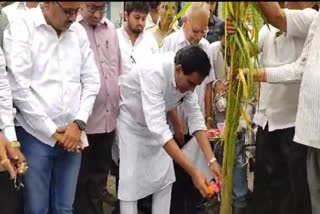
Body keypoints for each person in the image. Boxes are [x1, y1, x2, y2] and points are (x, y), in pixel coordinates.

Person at [3, 2, 100, 213]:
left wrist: (79, 123)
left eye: (76, 11)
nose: (73, 17)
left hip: (73, 137)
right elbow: (19, 89)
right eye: (68, 11)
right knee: (37, 209)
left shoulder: (78, 33)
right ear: (47, 3)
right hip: (35, 137)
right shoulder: (22, 27)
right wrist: (53, 132)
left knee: (65, 208)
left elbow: (92, 80)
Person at [232, 2, 320, 213]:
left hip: (294, 125)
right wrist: (233, 36)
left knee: (295, 193)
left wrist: (258, 73)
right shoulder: (267, 31)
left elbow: (276, 16)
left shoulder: (308, 17)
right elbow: (243, 56)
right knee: (268, 190)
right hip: (268, 122)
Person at [117, 45, 222, 214]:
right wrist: (194, 171)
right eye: (190, 83)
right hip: (132, 127)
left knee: (164, 180)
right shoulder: (155, 71)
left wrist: (212, 161)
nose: (192, 89)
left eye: (196, 85)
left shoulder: (187, 81)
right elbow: (159, 129)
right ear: (179, 69)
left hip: (159, 129)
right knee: (130, 186)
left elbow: (195, 118)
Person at [161, 3, 216, 213]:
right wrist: (176, 123)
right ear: (185, 22)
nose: (199, 36)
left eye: (204, 31)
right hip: (173, 126)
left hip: (196, 127)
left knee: (197, 181)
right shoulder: (170, 43)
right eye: (195, 31)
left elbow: (207, 86)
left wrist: (208, 118)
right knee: (174, 181)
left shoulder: (206, 47)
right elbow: (165, 87)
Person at [73, 2, 121, 214]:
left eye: (102, 7)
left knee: (100, 178)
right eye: (93, 7)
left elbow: (116, 67)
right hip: (82, 123)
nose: (98, 13)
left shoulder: (110, 28)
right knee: (80, 181)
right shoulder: (72, 28)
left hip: (108, 119)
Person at [116, 2, 158, 213]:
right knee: (125, 168)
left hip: (144, 115)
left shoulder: (150, 43)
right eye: (137, 18)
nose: (141, 23)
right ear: (125, 15)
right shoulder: (114, 38)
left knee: (144, 166)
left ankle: (143, 207)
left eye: (144, 19)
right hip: (120, 114)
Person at [208, 34, 250, 214]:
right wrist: (218, 85)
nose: (228, 53)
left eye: (232, 49)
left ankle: (238, 206)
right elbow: (209, 83)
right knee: (218, 177)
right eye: (225, 49)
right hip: (218, 130)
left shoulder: (247, 58)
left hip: (238, 130)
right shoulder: (213, 50)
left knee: (239, 184)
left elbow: (252, 99)